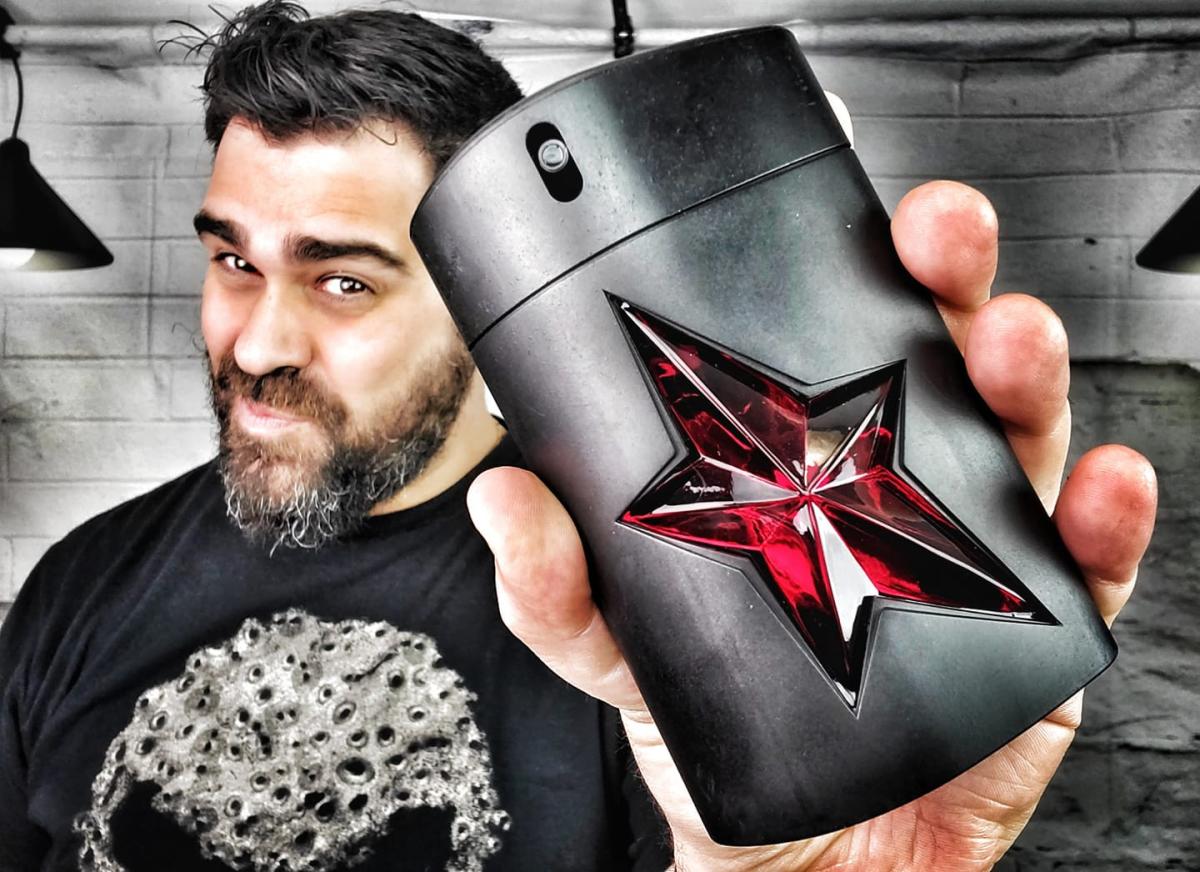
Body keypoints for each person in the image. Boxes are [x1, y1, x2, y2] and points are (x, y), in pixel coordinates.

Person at [0, 2, 1158, 871]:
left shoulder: (648, 623)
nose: (256, 343)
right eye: (232, 259)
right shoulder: (80, 582)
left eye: (343, 280)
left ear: (484, 298)